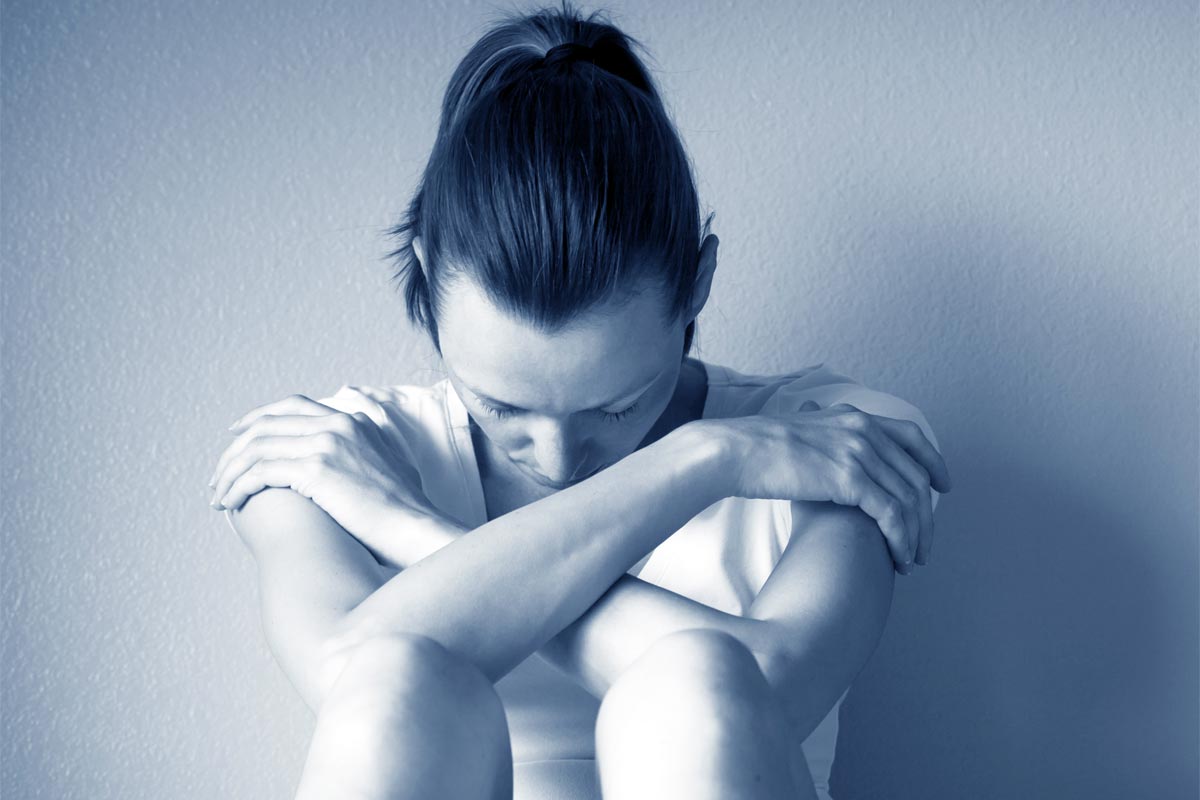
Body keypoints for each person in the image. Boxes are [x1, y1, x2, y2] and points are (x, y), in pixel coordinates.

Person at [207, 3, 952, 798]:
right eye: (502, 409)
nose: (561, 459)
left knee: (692, 679)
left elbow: (766, 687)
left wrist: (701, 457)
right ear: (427, 277)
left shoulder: (835, 445)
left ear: (697, 282)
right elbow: (355, 680)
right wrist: (701, 461)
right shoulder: (328, 456)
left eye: (616, 406)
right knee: (396, 675)